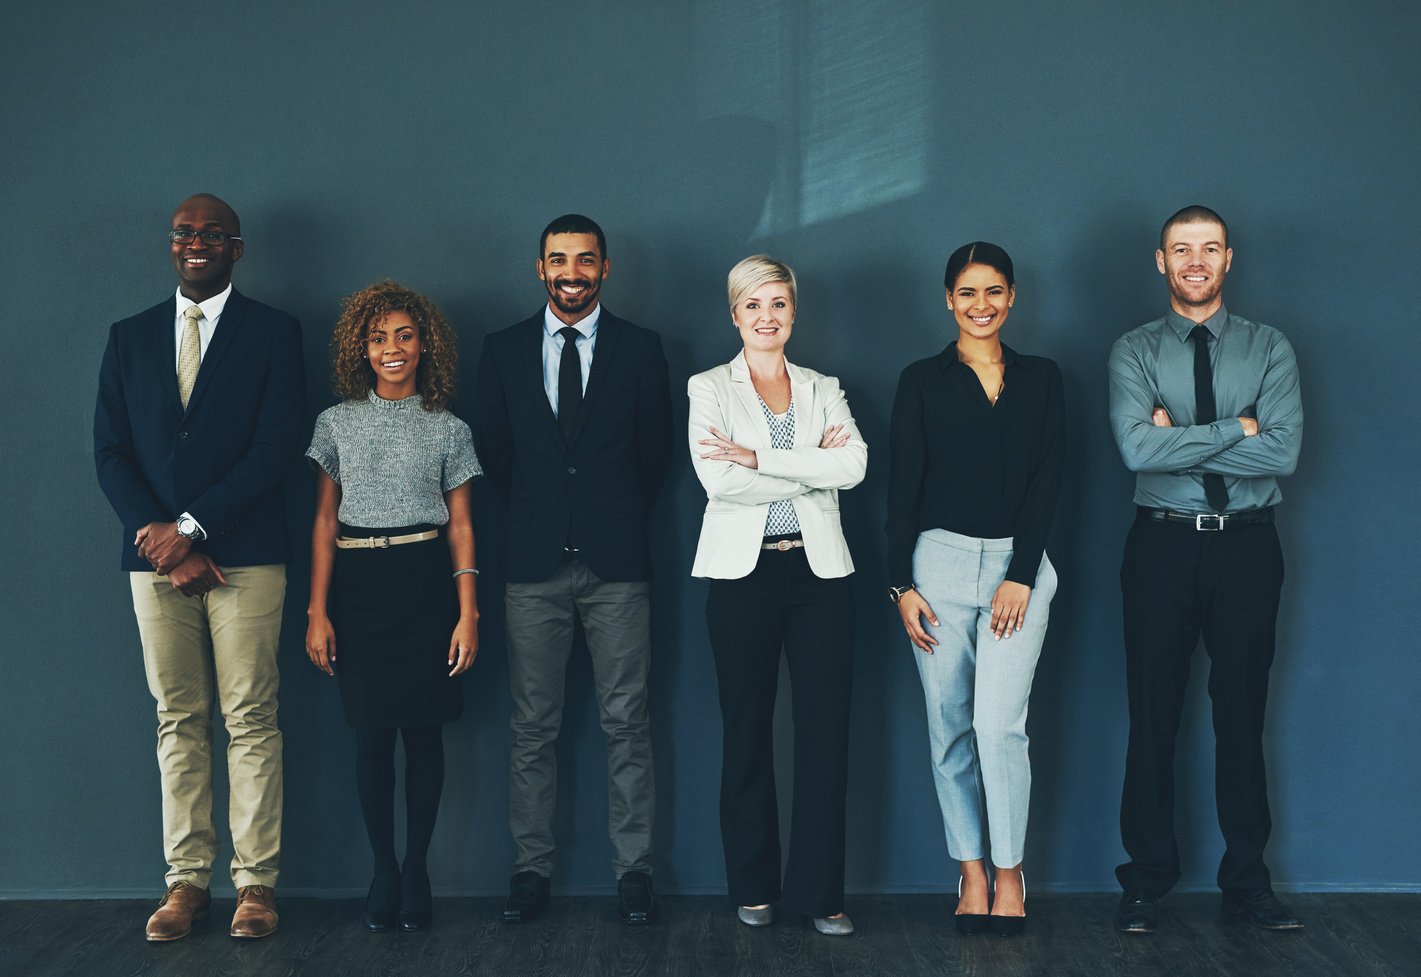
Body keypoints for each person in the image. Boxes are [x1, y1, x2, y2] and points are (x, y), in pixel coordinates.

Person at [94, 193, 304, 941]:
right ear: (171, 242)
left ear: (236, 248)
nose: (197, 242)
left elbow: (276, 447)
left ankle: (255, 885)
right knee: (177, 718)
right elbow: (111, 452)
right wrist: (161, 537)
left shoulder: (274, 333)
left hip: (245, 555)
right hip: (152, 563)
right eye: (185, 232)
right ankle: (185, 882)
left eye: (212, 233)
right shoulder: (128, 337)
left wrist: (191, 527)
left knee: (249, 717)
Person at [1108, 206, 1304, 934]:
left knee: (1242, 715)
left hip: (1247, 546)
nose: (1196, 260)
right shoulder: (1132, 351)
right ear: (1160, 261)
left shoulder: (1270, 347)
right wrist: (1237, 429)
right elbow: (1134, 450)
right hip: (1160, 546)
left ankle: (1247, 883)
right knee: (1152, 714)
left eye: (1209, 249)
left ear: (1229, 259)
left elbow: (1281, 453)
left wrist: (1179, 438)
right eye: (1181, 249)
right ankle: (1144, 881)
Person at [477, 214, 673, 925]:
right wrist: (545, 517)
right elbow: (496, 457)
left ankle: (634, 873)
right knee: (532, 726)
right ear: (539, 269)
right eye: (558, 259)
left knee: (627, 722)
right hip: (530, 566)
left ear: (604, 268)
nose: (571, 272)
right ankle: (530, 871)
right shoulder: (501, 351)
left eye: (584, 260)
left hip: (618, 565)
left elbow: (654, 458)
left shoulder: (641, 350)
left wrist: (602, 519)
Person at [885, 242, 1063, 937]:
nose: (980, 305)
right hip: (938, 565)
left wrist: (1021, 572)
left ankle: (1011, 868)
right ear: (947, 299)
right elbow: (902, 488)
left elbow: (1049, 478)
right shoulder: (921, 379)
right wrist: (899, 582)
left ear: (1012, 296)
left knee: (999, 725)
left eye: (993, 292)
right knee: (948, 725)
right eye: (966, 293)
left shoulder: (1043, 378)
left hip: (1019, 570)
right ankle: (970, 870)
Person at [689, 254, 867, 936]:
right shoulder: (708, 388)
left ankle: (821, 893)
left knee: (824, 736)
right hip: (742, 576)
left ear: (794, 313)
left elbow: (851, 466)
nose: (768, 316)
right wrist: (809, 472)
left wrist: (758, 457)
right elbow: (718, 483)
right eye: (754, 305)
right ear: (734, 314)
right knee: (746, 734)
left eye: (779, 305)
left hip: (821, 577)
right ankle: (754, 885)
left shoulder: (823, 386)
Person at [304, 282, 481, 932]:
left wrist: (469, 611)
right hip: (358, 582)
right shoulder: (335, 421)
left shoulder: (450, 427)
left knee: (425, 733)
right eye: (378, 338)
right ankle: (383, 866)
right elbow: (324, 521)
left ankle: (418, 869)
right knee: (372, 736)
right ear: (361, 347)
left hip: (425, 578)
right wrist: (315, 610)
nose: (392, 348)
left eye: (404, 335)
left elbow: (462, 526)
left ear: (425, 342)